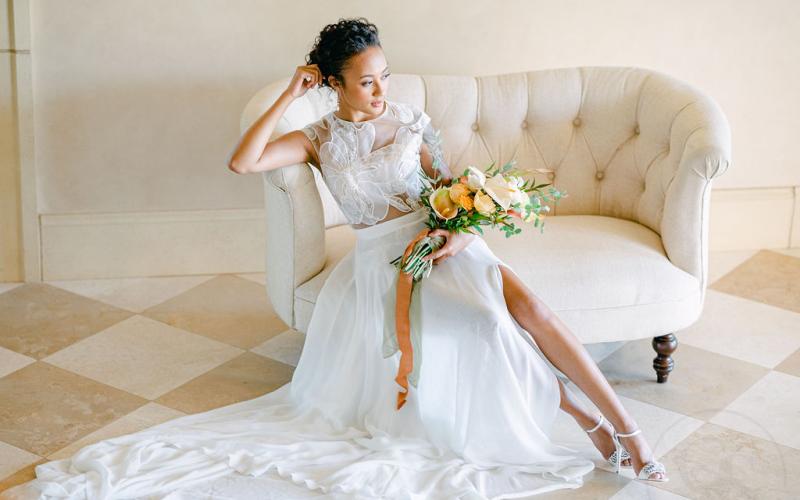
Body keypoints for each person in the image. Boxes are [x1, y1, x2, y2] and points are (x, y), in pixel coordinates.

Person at [23, 17, 667, 500]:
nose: (381, 90)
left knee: (535, 311)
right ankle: (593, 426)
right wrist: (288, 93)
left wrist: (460, 235)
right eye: (367, 80)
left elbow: (452, 194)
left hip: (443, 241)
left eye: (384, 75)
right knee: (491, 326)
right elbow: (243, 161)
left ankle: (626, 430)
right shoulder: (317, 138)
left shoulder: (411, 122)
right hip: (388, 264)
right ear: (332, 84)